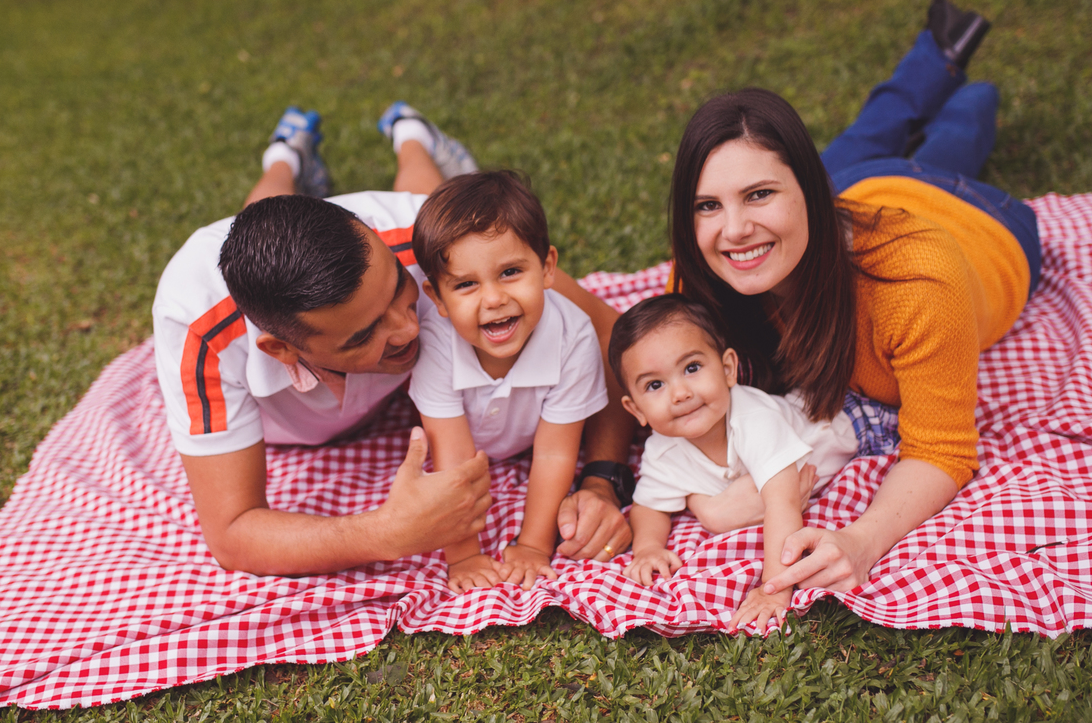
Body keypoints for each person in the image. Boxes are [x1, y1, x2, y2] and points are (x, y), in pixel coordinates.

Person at [152, 103, 632, 577]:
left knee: (427, 195)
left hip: (405, 214)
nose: (409, 330)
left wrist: (603, 479)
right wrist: (384, 533)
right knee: (255, 215)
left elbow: (609, 331)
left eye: (401, 293)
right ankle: (284, 158)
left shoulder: (418, 237)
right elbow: (233, 536)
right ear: (282, 350)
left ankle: (413, 136)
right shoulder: (200, 330)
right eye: (364, 334)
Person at [665, 0, 1042, 593]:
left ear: (809, 193)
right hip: (862, 193)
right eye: (708, 205)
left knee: (956, 141)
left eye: (759, 194)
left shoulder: (918, 284)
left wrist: (861, 540)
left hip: (976, 221)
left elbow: (943, 448)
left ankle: (975, 98)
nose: (732, 230)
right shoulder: (705, 275)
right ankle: (942, 55)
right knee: (867, 136)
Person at [409, 171, 608, 593]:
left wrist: (534, 545)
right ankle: (408, 138)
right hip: (464, 443)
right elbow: (453, 455)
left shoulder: (573, 336)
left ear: (547, 268)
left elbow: (555, 454)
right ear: (438, 300)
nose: (494, 299)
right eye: (465, 285)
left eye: (511, 272)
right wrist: (463, 554)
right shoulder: (436, 341)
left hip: (530, 445)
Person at [609, 295, 857, 629]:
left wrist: (774, 588)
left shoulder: (753, 419)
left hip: (850, 423)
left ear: (728, 369)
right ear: (636, 409)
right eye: (655, 385)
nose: (680, 393)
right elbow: (648, 507)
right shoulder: (663, 450)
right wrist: (648, 548)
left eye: (692, 368)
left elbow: (783, 504)